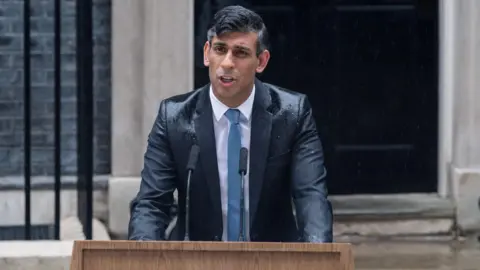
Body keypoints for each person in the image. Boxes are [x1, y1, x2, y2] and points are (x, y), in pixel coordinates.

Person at [128, 5, 333, 243]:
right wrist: (142, 256)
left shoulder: (292, 114)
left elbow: (311, 196)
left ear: (261, 61)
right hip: (196, 259)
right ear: (207, 53)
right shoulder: (174, 118)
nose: (227, 63)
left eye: (241, 53)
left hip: (270, 259)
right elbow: (152, 203)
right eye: (220, 49)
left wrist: (318, 258)